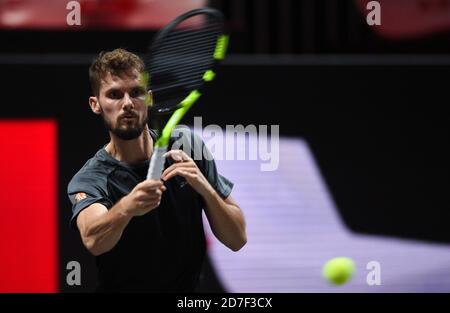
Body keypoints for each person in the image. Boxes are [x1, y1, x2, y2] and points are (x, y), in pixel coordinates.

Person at [67, 48, 247, 292]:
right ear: (95, 104)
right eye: (114, 95)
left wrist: (204, 187)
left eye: (136, 92)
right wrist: (128, 206)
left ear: (149, 98)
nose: (128, 103)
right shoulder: (90, 179)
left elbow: (237, 239)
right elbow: (94, 240)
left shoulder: (187, 145)